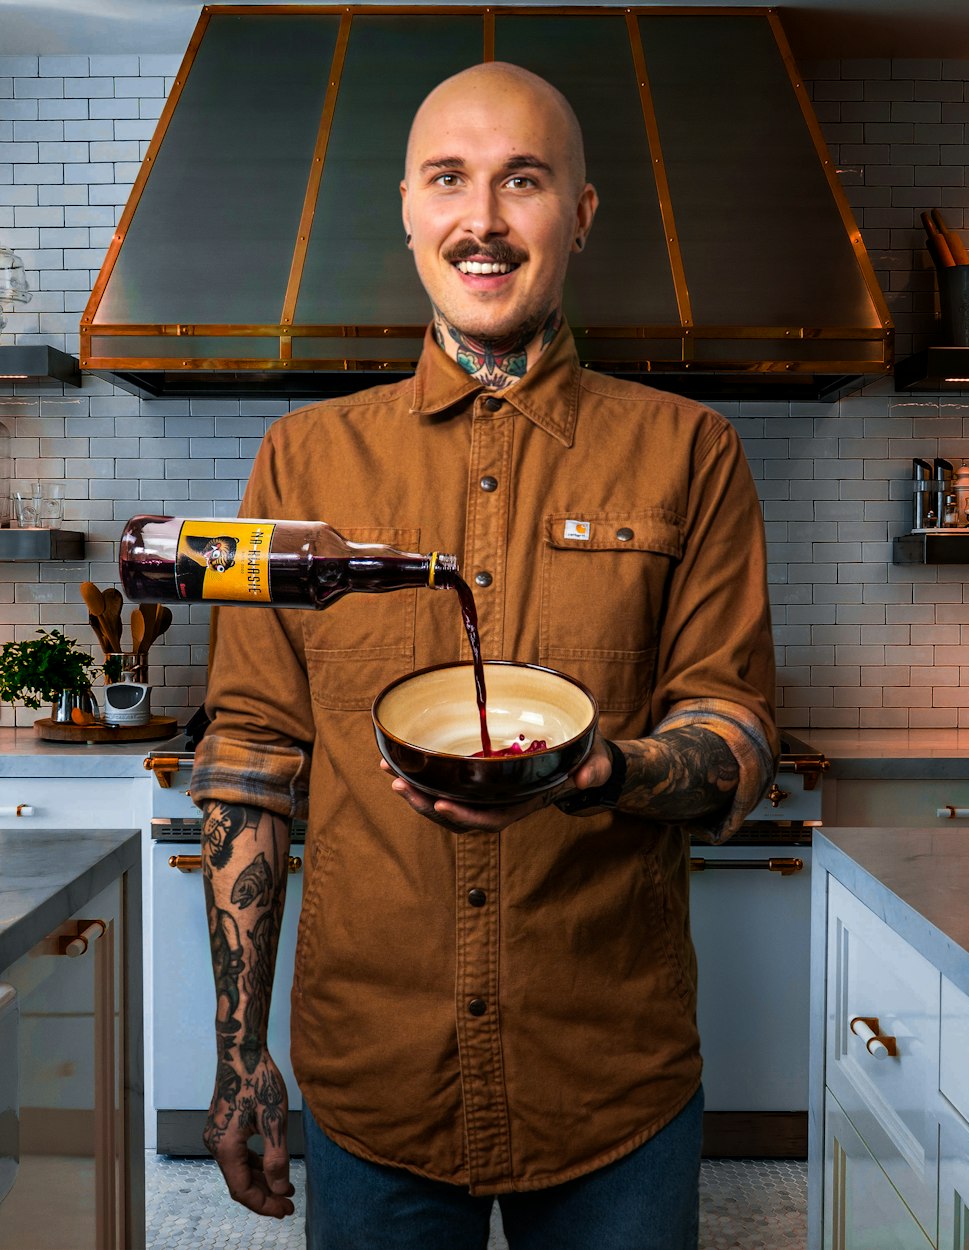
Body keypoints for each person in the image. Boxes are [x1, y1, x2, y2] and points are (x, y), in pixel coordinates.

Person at [190, 60, 778, 1250]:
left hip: (610, 1077)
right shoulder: (298, 467)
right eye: (450, 179)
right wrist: (240, 1053)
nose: (484, 219)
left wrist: (603, 770)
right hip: (376, 1079)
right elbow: (252, 756)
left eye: (524, 181)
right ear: (404, 206)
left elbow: (735, 732)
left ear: (581, 212)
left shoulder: (691, 453)